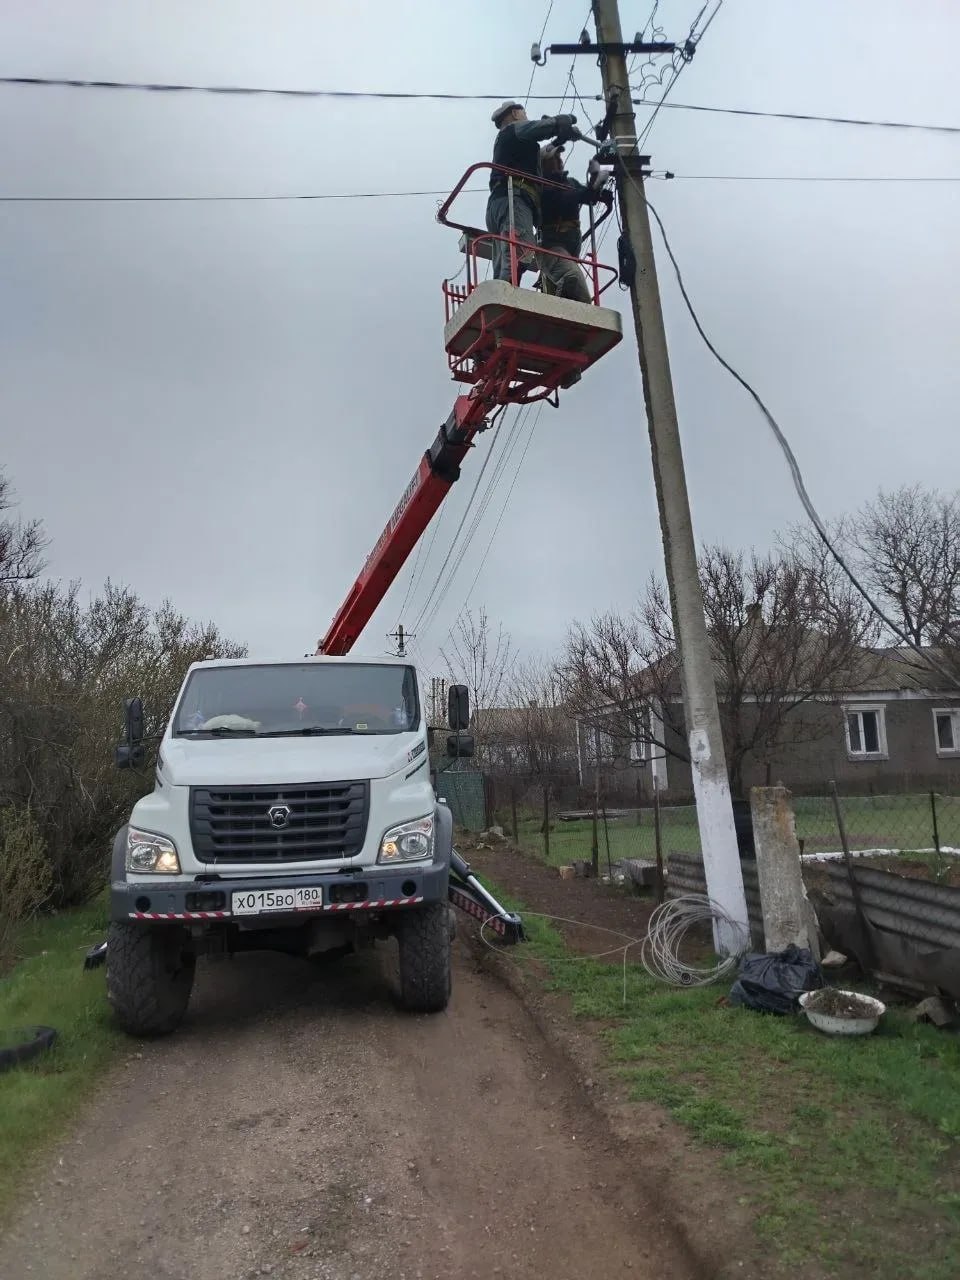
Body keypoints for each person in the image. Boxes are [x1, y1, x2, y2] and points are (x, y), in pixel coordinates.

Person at [485, 101, 579, 285]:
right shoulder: (514, 129)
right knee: (521, 251)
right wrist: (561, 121)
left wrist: (558, 140)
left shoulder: (511, 142)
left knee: (505, 256)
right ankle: (506, 295)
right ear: (515, 113)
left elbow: (541, 154)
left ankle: (500, 291)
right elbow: (538, 128)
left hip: (499, 204)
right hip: (515, 199)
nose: (525, 116)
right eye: (524, 112)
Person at [537, 144, 614, 305]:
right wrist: (590, 189)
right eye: (554, 158)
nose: (559, 160)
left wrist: (595, 183)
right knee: (574, 280)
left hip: (571, 248)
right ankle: (587, 320)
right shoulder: (541, 185)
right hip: (552, 247)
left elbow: (587, 197)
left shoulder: (569, 182)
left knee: (566, 291)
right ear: (543, 163)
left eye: (559, 157)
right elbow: (562, 198)